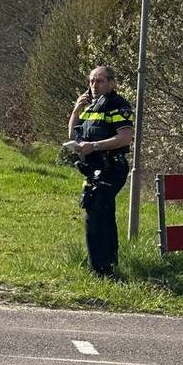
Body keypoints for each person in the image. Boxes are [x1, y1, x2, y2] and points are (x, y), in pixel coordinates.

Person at [69, 65, 134, 278]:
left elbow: (125, 138)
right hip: (93, 169)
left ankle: (99, 269)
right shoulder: (90, 106)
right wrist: (76, 110)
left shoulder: (117, 105)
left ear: (112, 83)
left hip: (112, 167)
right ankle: (109, 265)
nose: (94, 85)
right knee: (104, 213)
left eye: (99, 81)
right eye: (91, 81)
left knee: (95, 211)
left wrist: (94, 146)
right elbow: (73, 134)